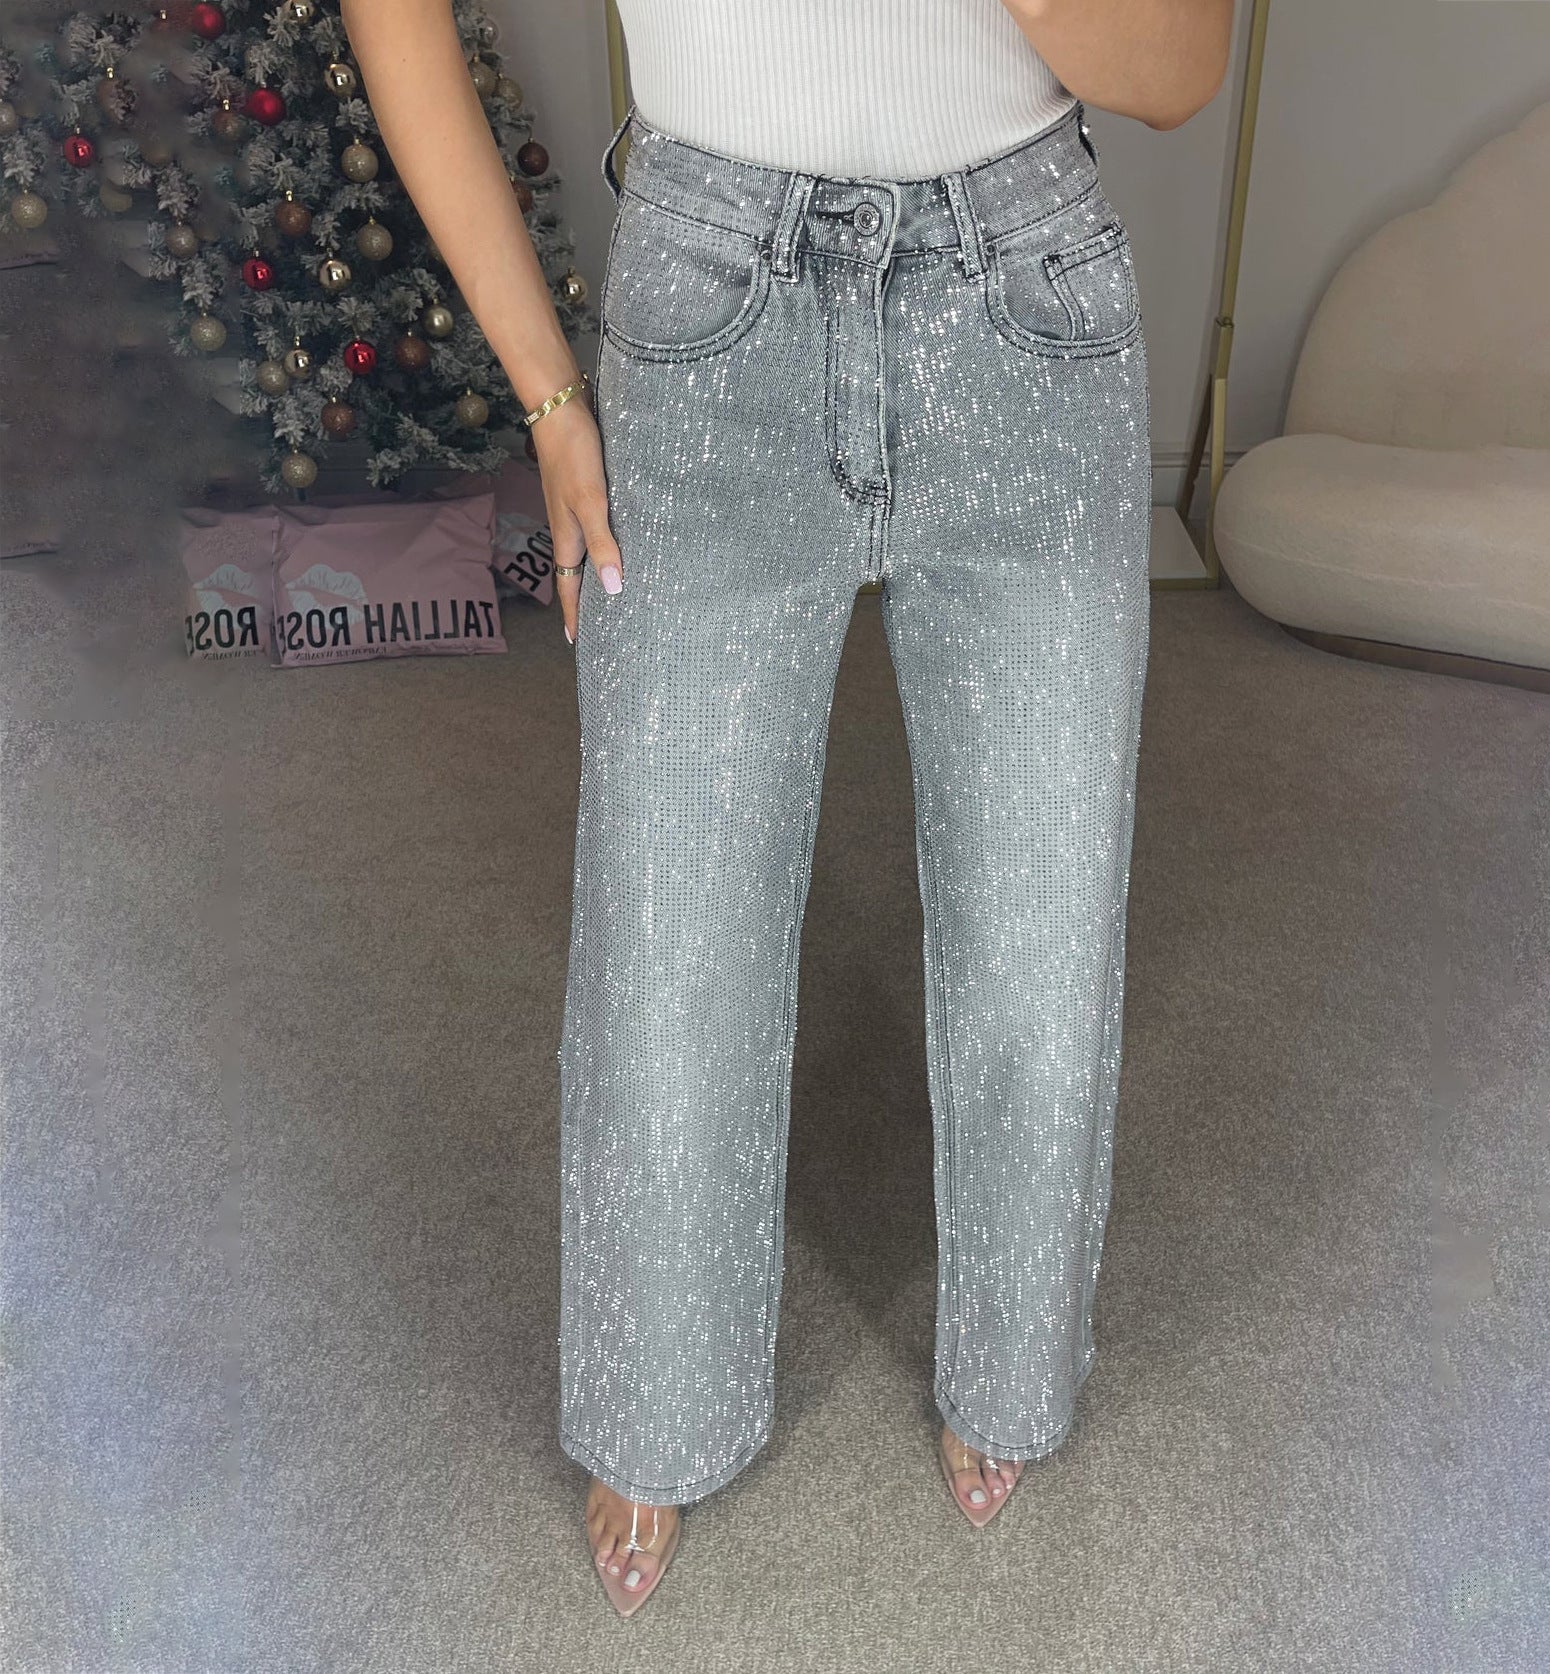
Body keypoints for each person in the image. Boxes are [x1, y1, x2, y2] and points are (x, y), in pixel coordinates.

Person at [344, 0, 1233, 1619]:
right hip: (711, 301)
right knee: (668, 953)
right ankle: (654, 1401)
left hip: (1025, 300)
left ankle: (1010, 1361)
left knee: (1040, 939)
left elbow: (1179, 75)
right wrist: (545, 391)